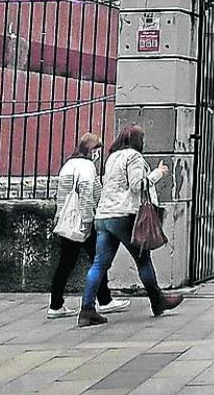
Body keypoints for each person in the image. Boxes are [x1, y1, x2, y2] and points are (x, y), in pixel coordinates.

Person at [78, 125, 182, 328]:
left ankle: (87, 309)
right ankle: (157, 300)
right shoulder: (133, 156)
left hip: (104, 215)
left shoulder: (112, 157)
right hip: (123, 215)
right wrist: (158, 173)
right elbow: (137, 185)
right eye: (142, 138)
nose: (144, 141)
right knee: (143, 259)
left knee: (99, 264)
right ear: (136, 140)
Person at [48, 133, 131, 319]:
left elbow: (61, 195)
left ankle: (56, 304)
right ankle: (104, 300)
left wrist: (59, 215)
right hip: (84, 222)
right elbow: (86, 194)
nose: (98, 154)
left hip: (67, 221)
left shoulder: (68, 165)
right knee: (99, 261)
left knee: (65, 264)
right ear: (92, 150)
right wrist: (87, 221)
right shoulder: (87, 167)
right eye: (97, 150)